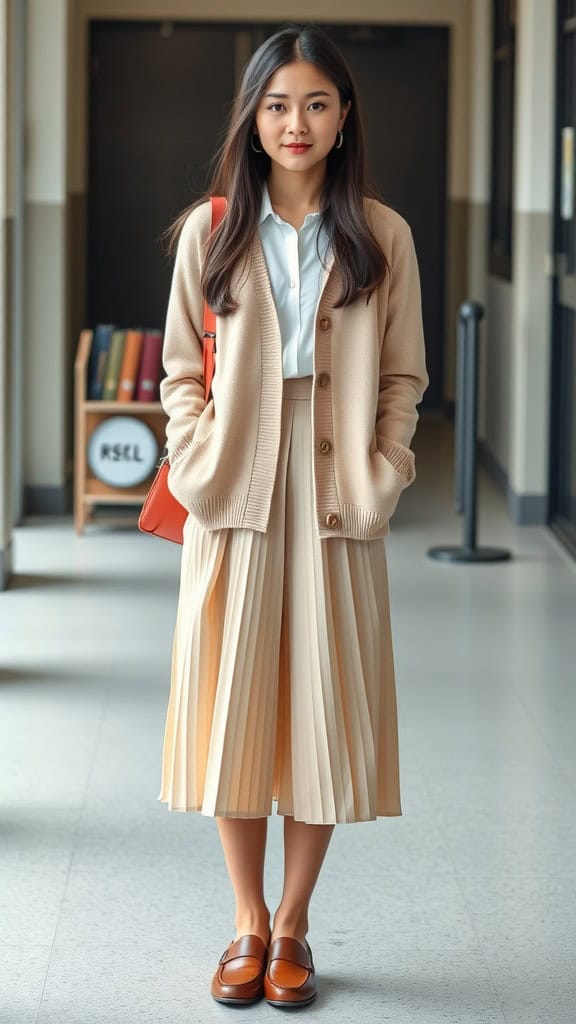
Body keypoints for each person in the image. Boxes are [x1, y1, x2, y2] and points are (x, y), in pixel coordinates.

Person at [156, 23, 428, 1010]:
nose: (296, 122)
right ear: (253, 118)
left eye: (316, 102)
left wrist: (385, 465)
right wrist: (193, 459)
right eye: (277, 104)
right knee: (234, 710)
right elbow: (181, 370)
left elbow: (405, 374)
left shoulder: (382, 234)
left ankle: (298, 921)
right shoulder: (213, 228)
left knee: (321, 709)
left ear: (345, 115)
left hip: (337, 492)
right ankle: (246, 918)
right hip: (233, 485)